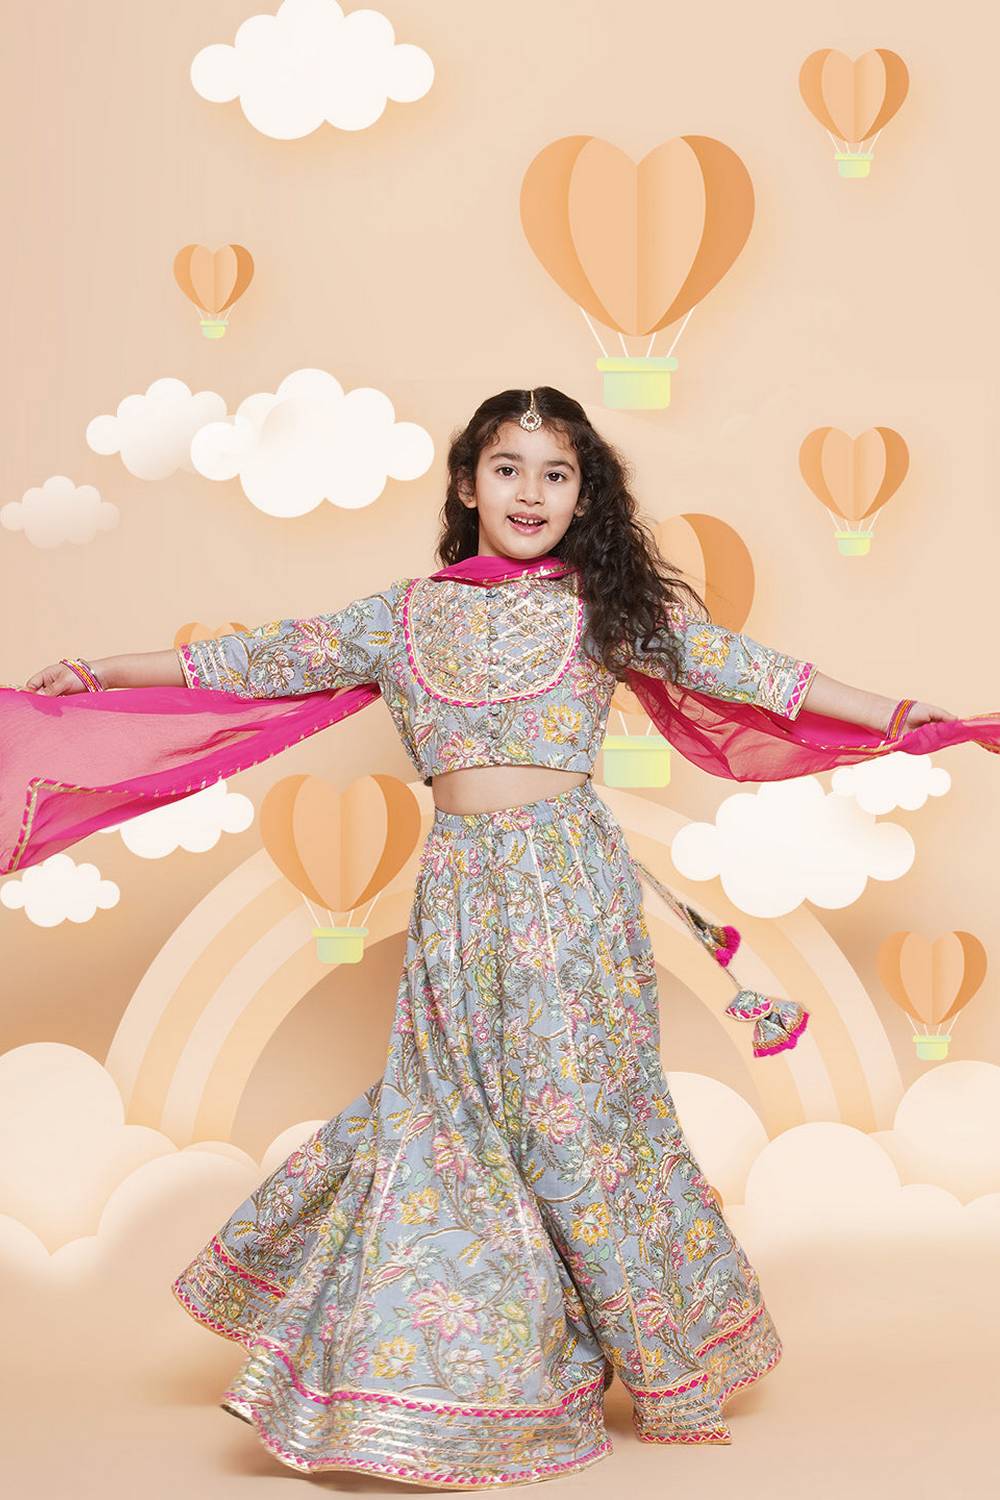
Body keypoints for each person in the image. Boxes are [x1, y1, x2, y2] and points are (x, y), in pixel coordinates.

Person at [5, 386, 989, 1488]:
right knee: (449, 1121)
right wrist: (100, 673)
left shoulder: (603, 612)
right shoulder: (400, 617)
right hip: (460, 897)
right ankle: (433, 1390)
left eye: (556, 473)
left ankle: (669, 1377)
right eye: (509, 468)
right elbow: (254, 660)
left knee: (582, 1126)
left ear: (584, 496)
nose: (531, 492)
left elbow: (752, 672)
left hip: (572, 892)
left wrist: (899, 715)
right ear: (468, 484)